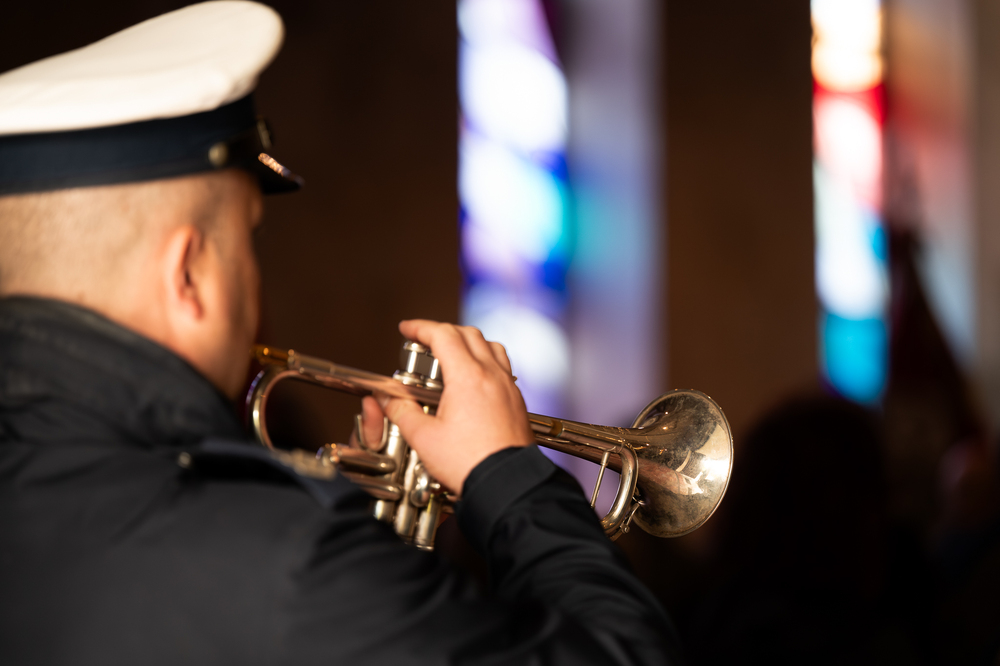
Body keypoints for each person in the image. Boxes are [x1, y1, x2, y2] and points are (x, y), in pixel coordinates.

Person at [0, 2, 681, 664]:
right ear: (189, 276)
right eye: (250, 242)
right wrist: (508, 478)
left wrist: (381, 554)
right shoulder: (285, 562)